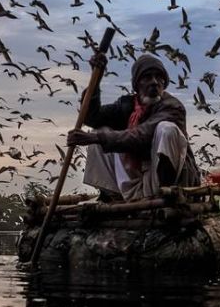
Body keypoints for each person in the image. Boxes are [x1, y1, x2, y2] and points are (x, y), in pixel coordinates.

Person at [67, 53, 201, 201]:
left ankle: (166, 195)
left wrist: (97, 138)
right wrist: (96, 77)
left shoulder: (172, 107)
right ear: (137, 84)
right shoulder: (127, 105)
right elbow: (93, 118)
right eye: (147, 77)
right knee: (99, 132)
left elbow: (141, 135)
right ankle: (113, 196)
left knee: (166, 129)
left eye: (159, 77)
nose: (154, 82)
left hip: (166, 179)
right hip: (135, 175)